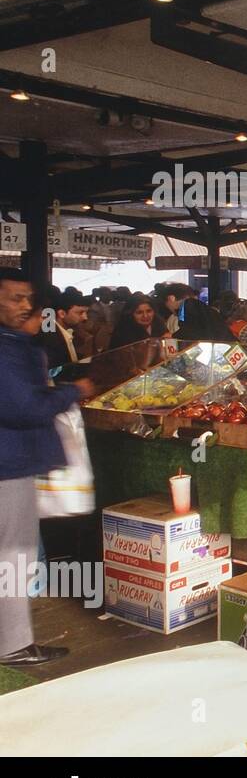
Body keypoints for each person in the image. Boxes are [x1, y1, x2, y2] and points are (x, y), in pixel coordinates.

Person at [0, 268, 95, 667]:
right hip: (9, 465)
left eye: (28, 299)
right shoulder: (6, 349)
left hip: (13, 461)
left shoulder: (15, 343)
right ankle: (13, 645)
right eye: (13, 297)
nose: (24, 306)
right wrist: (75, 391)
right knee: (14, 555)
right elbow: (23, 408)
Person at [37, 287, 89, 376]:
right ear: (62, 314)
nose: (85, 317)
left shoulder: (71, 332)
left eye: (86, 312)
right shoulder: (50, 338)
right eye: (80, 313)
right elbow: (52, 374)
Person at [159, 283, 234, 343]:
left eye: (166, 303)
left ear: (171, 298)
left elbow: (190, 331)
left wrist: (173, 336)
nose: (168, 307)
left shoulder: (186, 305)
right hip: (227, 347)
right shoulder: (204, 308)